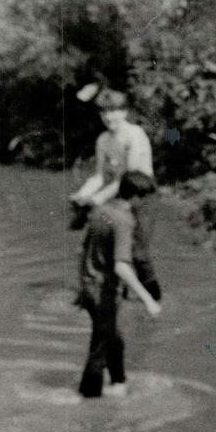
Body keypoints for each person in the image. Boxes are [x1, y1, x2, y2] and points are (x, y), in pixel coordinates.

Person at [71, 86, 162, 301]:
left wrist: (97, 198)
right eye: (103, 112)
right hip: (118, 198)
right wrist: (81, 194)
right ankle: (124, 297)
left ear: (124, 112)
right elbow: (100, 177)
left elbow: (127, 178)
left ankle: (155, 298)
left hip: (142, 195)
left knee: (138, 252)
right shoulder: (103, 140)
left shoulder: (134, 135)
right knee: (116, 248)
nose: (108, 117)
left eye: (112, 111)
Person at [77, 169, 161, 399]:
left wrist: (82, 287)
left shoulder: (100, 212)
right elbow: (121, 266)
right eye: (144, 199)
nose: (144, 204)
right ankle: (88, 401)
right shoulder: (124, 221)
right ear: (135, 196)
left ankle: (118, 385)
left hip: (90, 286)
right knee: (100, 348)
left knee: (114, 339)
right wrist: (148, 300)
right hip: (104, 292)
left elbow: (83, 250)